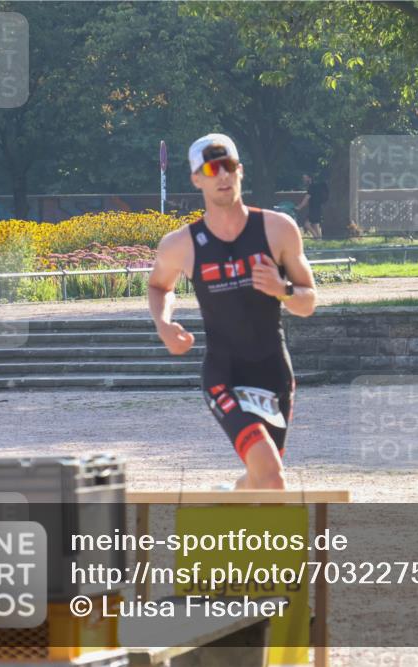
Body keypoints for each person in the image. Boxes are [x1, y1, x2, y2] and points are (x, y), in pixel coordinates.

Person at [148, 133, 317, 488]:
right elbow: (158, 286)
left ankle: (227, 497)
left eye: (228, 167)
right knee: (271, 476)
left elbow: (308, 301)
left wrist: (282, 289)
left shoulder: (278, 229)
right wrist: (164, 324)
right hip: (223, 372)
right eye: (212, 169)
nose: (222, 176)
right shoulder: (181, 244)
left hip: (273, 372)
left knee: (264, 479)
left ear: (239, 171)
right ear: (197, 179)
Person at [295, 173, 327, 239]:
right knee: (316, 225)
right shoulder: (316, 185)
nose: (303, 179)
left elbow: (306, 199)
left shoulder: (312, 187)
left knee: (306, 224)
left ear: (309, 178)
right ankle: (320, 242)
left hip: (314, 209)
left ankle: (316, 238)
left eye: (305, 178)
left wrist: (299, 207)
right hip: (317, 208)